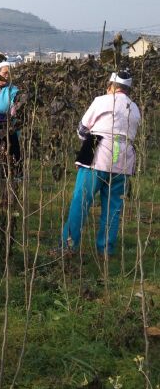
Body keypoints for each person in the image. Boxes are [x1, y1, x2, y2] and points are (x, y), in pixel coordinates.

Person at [61, 70, 140, 257]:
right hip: (123, 158)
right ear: (127, 89)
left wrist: (85, 138)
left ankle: (67, 246)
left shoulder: (102, 100)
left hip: (98, 156)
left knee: (81, 201)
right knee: (113, 207)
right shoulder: (134, 108)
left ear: (111, 86)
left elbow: (83, 127)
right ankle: (105, 250)